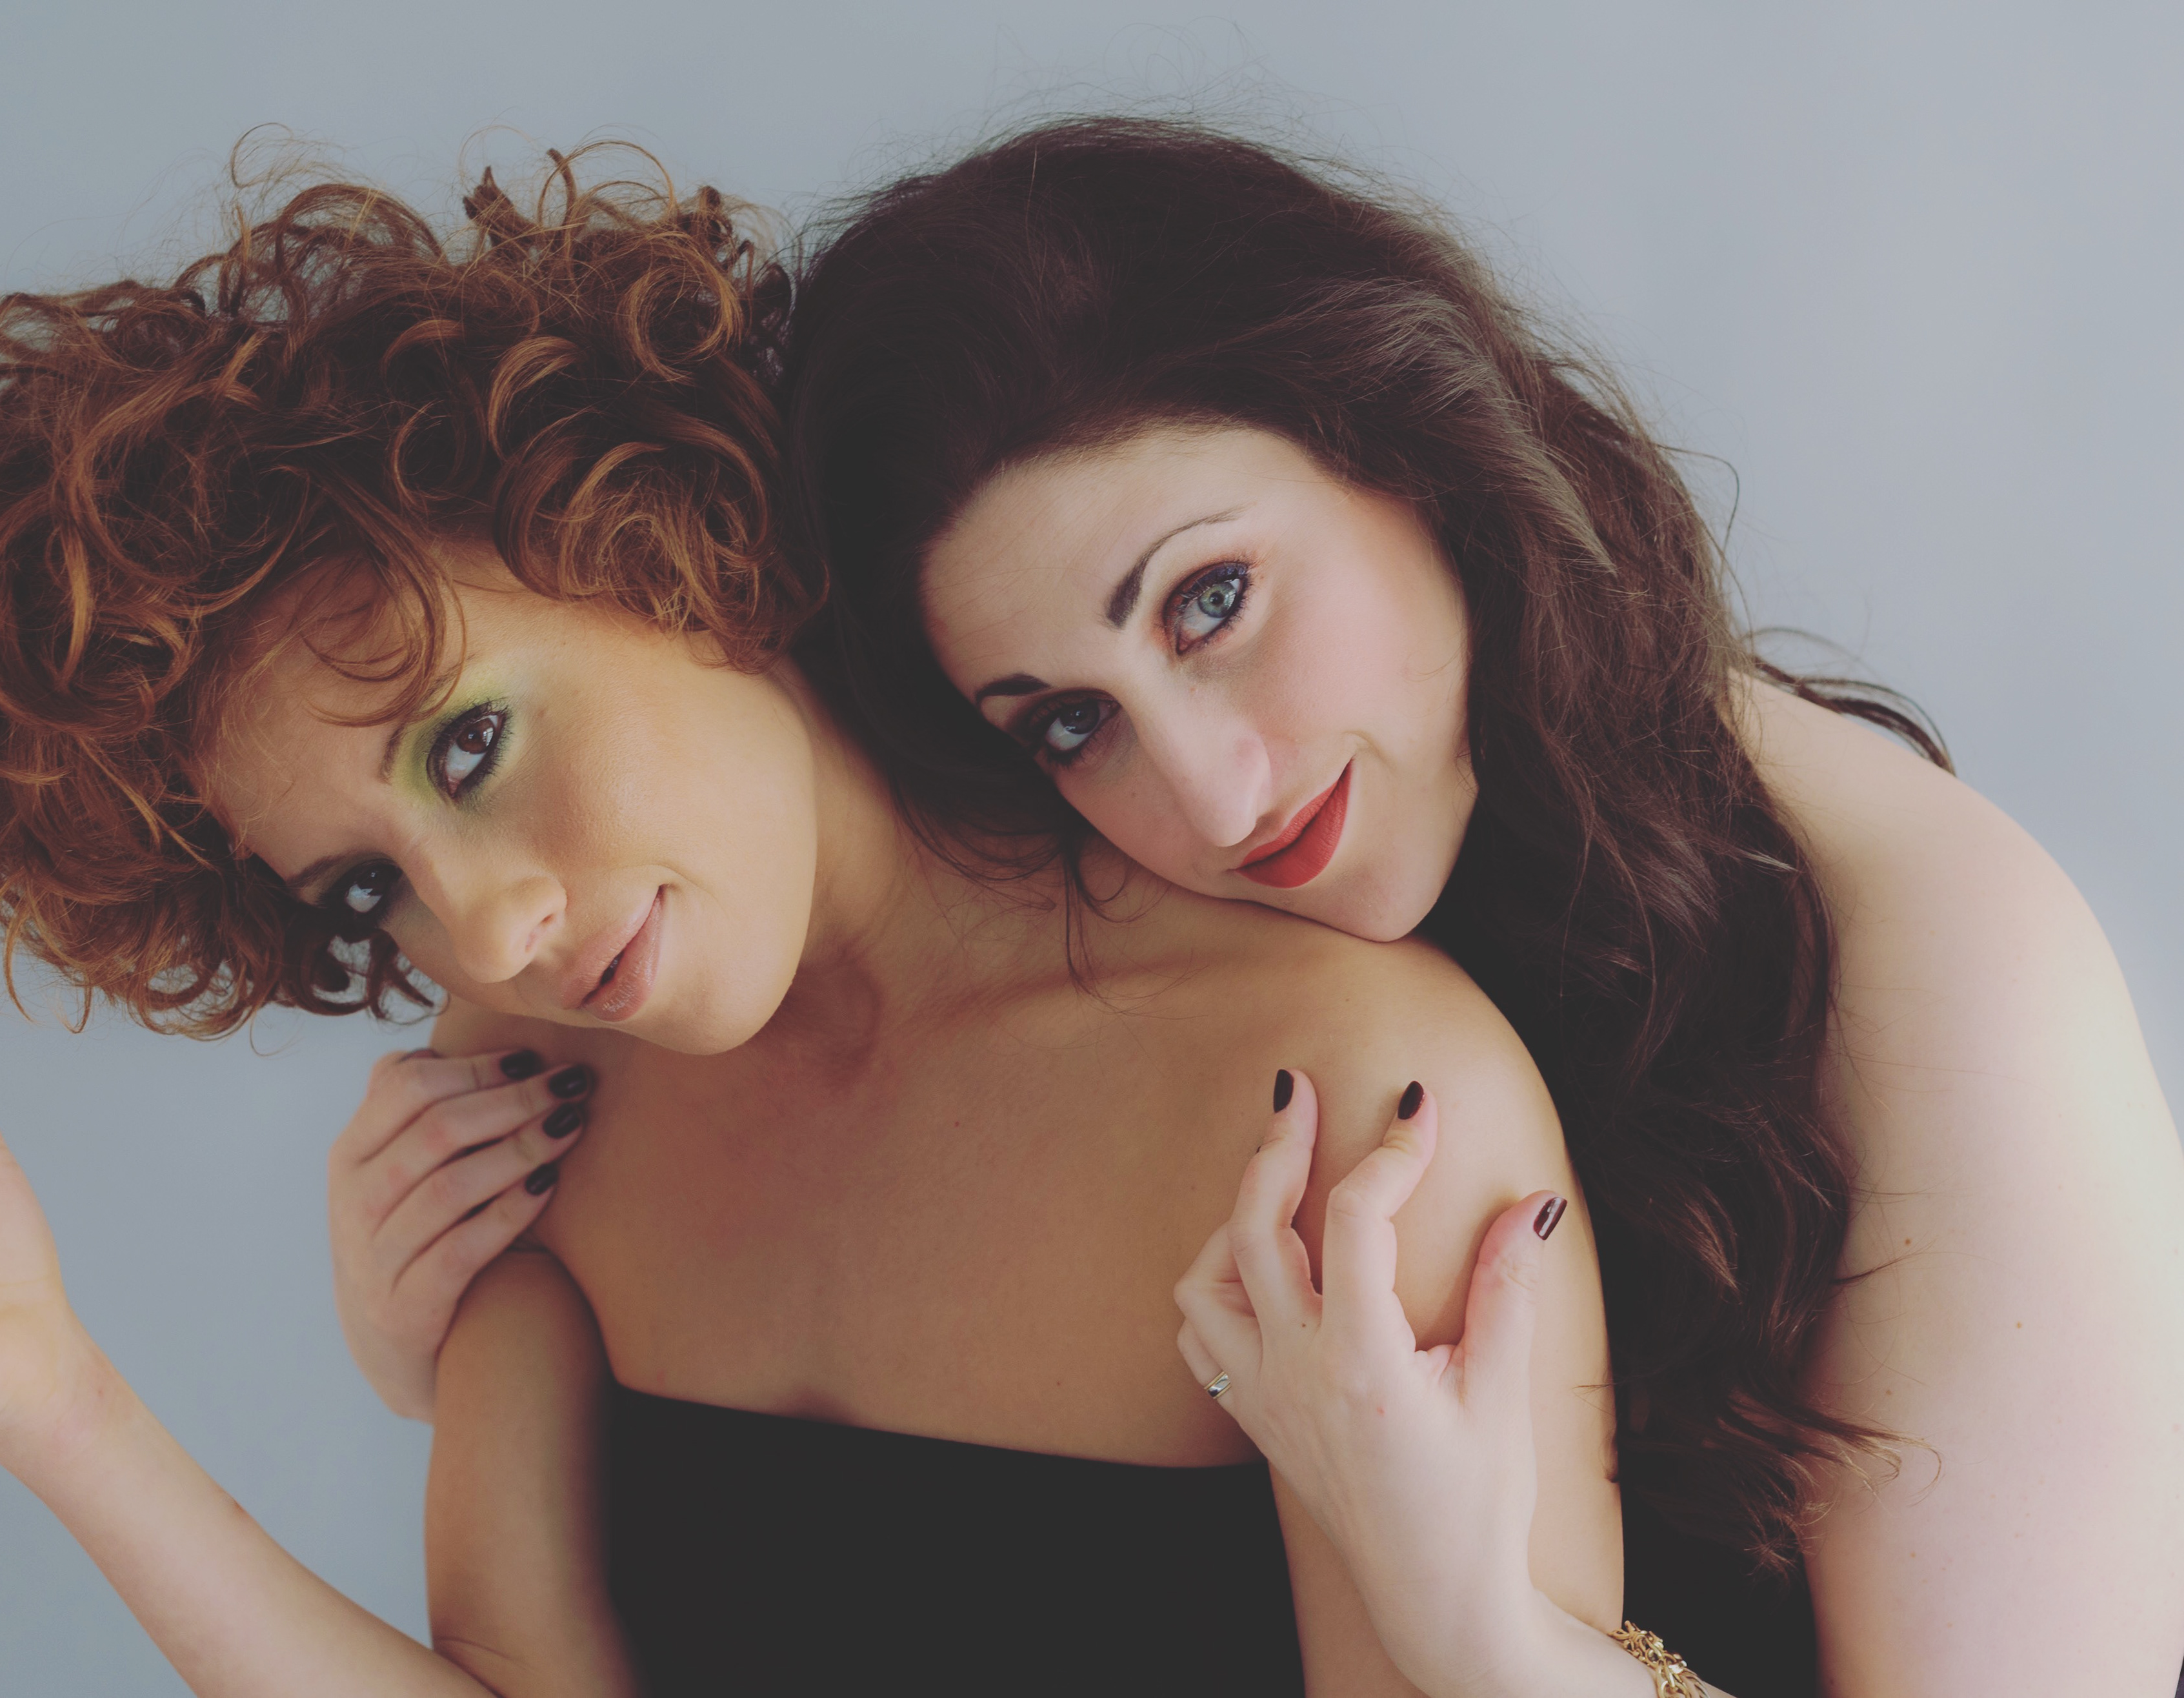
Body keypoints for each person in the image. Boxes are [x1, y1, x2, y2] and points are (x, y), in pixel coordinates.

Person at [0, 150, 1619, 1695]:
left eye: (471, 746)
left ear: (665, 543)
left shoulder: (1343, 1101)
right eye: (369, 885)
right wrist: (50, 1398)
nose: (487, 928)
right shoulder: (533, 1098)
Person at [754, 115, 2184, 1695]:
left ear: (1402, 436)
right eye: (1072, 723)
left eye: (1211, 602)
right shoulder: (1192, 948)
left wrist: (1479, 1623)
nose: (1213, 800)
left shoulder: (1936, 952)